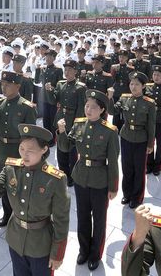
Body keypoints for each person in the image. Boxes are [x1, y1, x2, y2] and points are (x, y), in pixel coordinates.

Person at [0, 124, 70, 275]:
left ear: (44, 150)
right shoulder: (11, 169)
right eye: (22, 149)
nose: (24, 155)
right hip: (15, 239)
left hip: (41, 245)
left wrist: (57, 254)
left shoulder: (55, 179)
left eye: (30, 151)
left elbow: (62, 219)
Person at [59, 90, 119, 271]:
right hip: (80, 177)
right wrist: (62, 132)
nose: (89, 110)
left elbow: (113, 162)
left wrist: (113, 187)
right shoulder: (78, 124)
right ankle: (83, 249)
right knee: (82, 216)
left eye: (93, 107)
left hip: (100, 179)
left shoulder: (110, 131)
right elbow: (65, 146)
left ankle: (95, 254)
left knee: (99, 219)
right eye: (87, 106)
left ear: (102, 110)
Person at [0, 71, 37, 227]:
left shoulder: (26, 107)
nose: (4, 87)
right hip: (2, 149)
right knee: (6, 184)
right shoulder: (0, 104)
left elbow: (31, 135)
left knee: (20, 184)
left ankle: (21, 215)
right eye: (3, 84)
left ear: (18, 86)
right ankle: (7, 214)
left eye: (8, 85)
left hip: (19, 150)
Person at [108, 72, 156, 209]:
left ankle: (137, 197)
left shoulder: (149, 103)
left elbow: (151, 125)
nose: (133, 87)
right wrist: (110, 98)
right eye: (132, 84)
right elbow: (112, 111)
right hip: (126, 136)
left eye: (137, 84)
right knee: (126, 167)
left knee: (139, 169)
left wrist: (150, 144)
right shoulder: (124, 98)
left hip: (141, 139)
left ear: (143, 86)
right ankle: (127, 194)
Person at [46, 59, 86, 187]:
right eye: (65, 69)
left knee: (71, 152)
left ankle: (71, 176)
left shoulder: (80, 87)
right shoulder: (60, 84)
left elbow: (81, 109)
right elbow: (53, 101)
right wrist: (49, 90)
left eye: (70, 70)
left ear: (75, 71)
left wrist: (77, 126)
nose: (67, 72)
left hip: (72, 121)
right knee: (60, 150)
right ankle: (63, 173)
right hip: (61, 119)